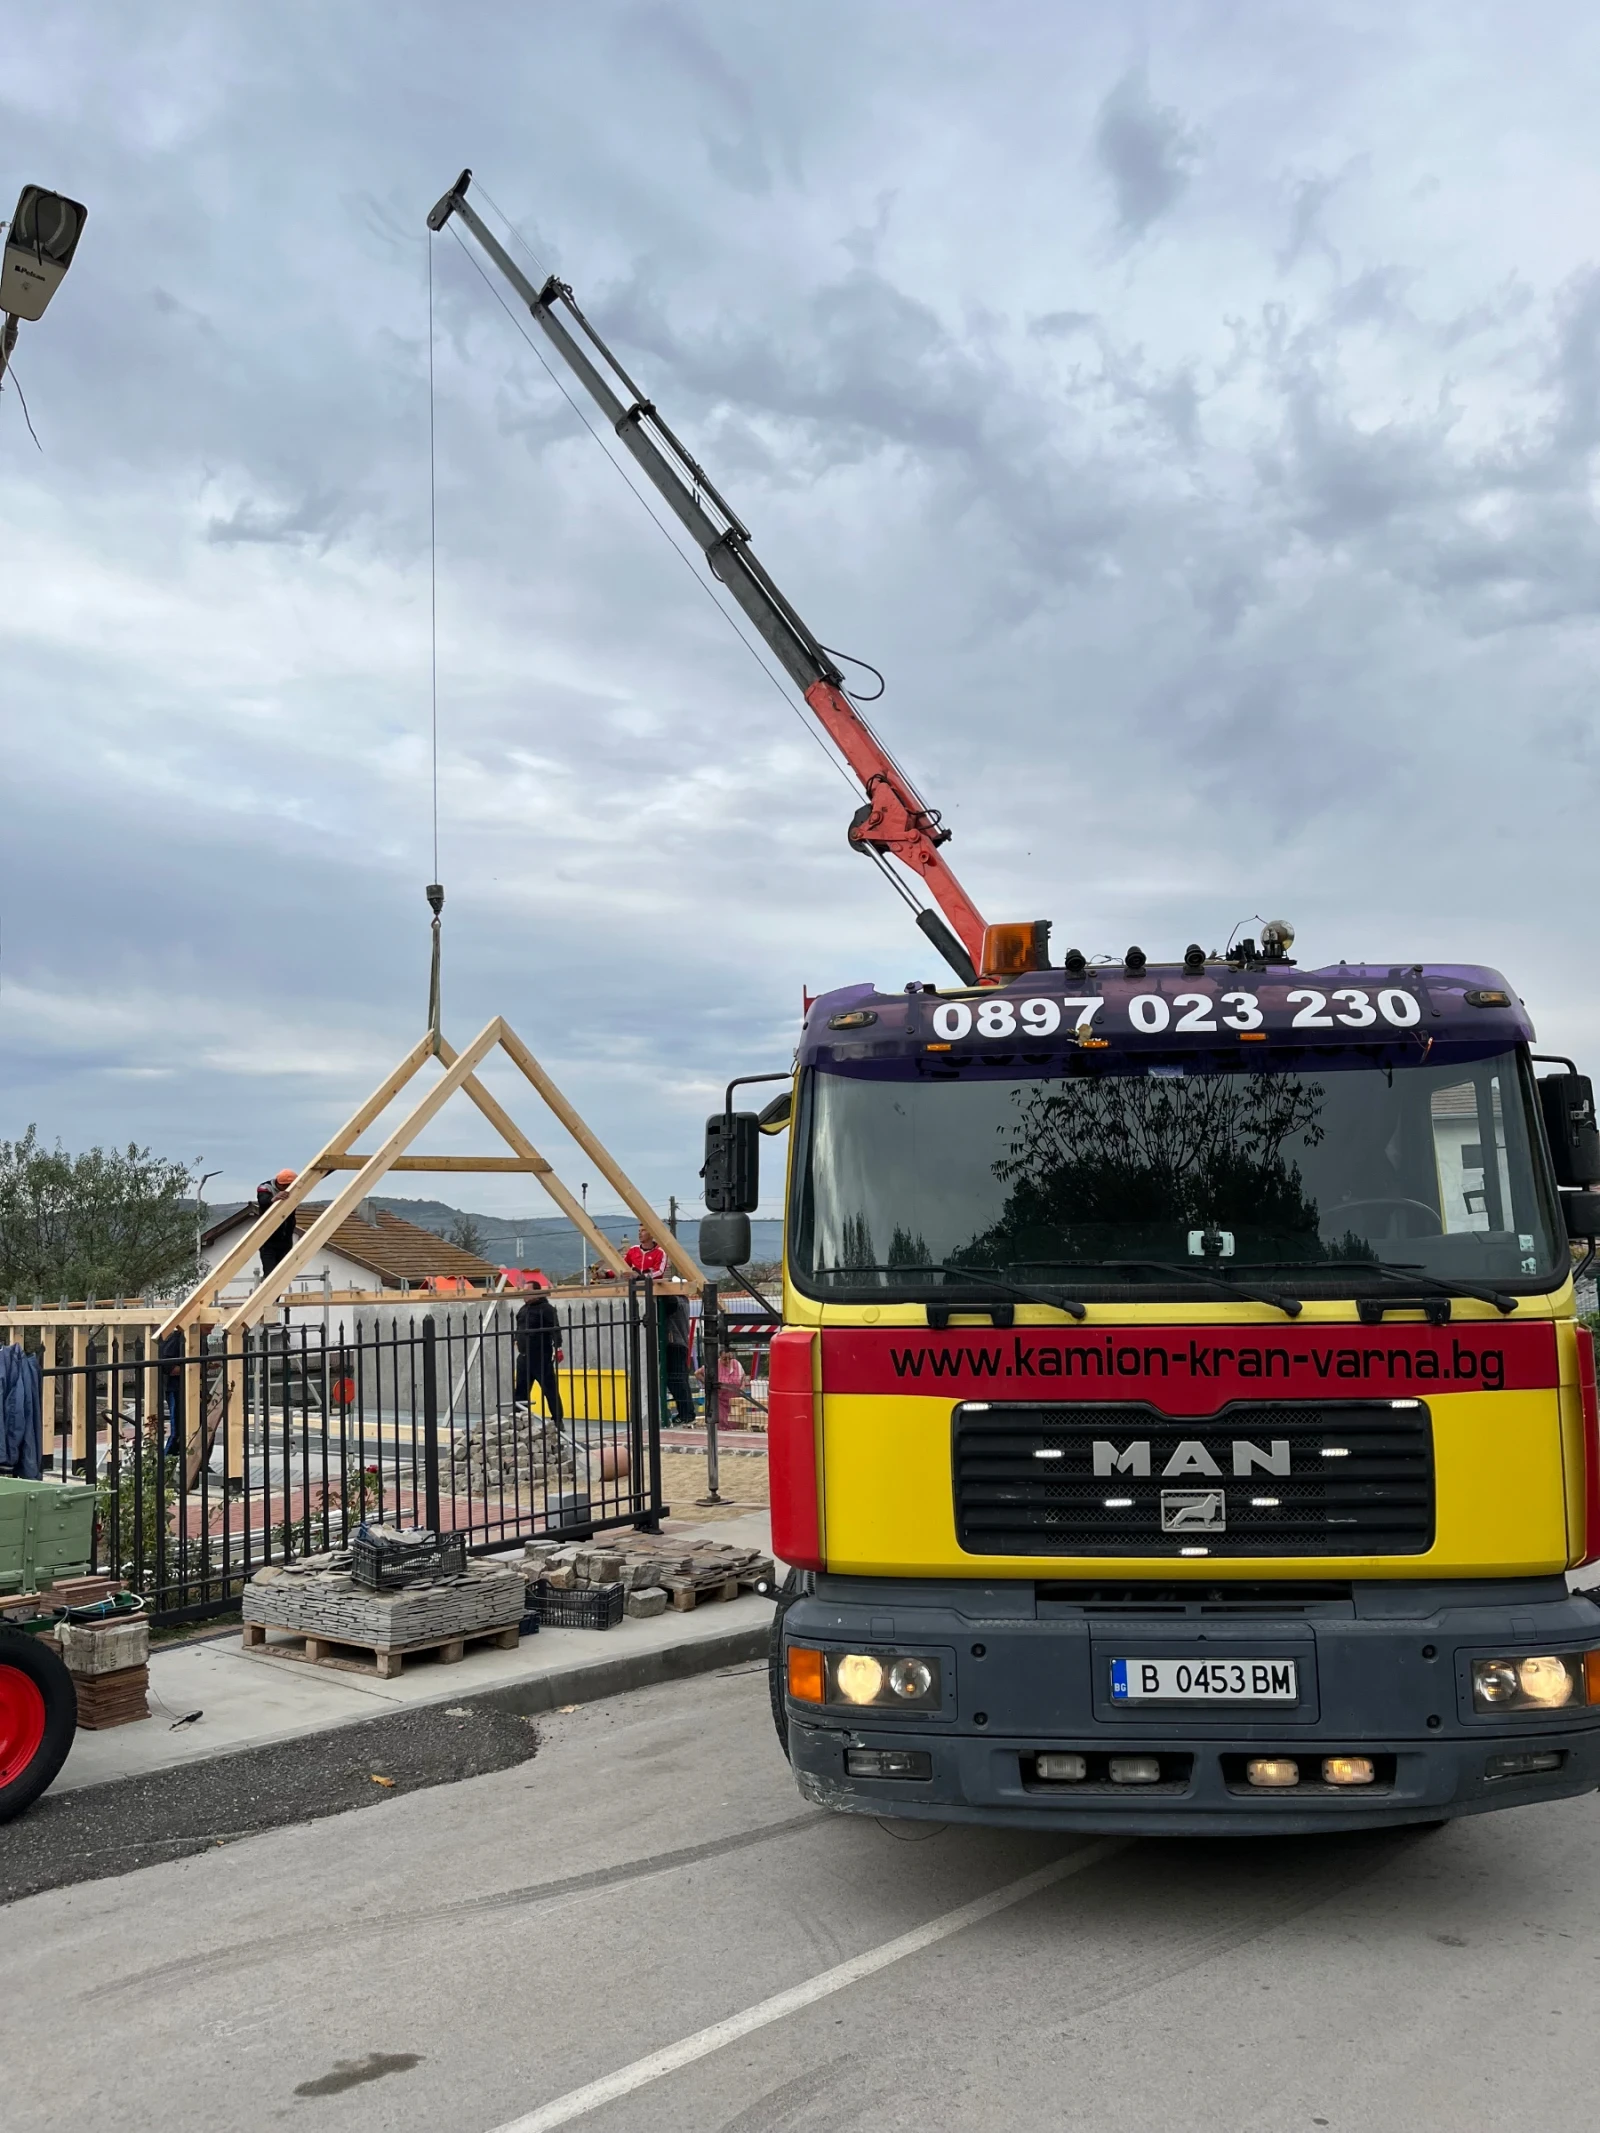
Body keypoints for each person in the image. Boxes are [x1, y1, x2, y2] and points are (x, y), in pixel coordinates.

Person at [513, 1277, 564, 1421]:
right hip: (524, 1357)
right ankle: (519, 1418)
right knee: (520, 1390)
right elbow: (519, 1327)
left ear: (537, 1293)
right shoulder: (524, 1309)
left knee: (549, 1389)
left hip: (541, 1356)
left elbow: (555, 1329)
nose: (524, 1295)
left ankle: (557, 1419)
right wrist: (516, 1339)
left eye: (527, 1292)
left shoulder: (546, 1309)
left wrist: (558, 1347)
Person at [661, 1293, 696, 1428]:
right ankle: (687, 1414)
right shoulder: (684, 1300)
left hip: (673, 1343)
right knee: (680, 1379)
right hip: (680, 1343)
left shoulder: (672, 1300)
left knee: (675, 1380)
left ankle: (686, 1415)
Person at [257, 1169, 298, 1278]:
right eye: (287, 1186)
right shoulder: (265, 1188)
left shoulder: (296, 1188)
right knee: (270, 1275)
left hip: (285, 1238)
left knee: (282, 1276)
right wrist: (273, 1199)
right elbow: (263, 1202)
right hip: (268, 1240)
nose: (289, 1189)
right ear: (280, 1184)